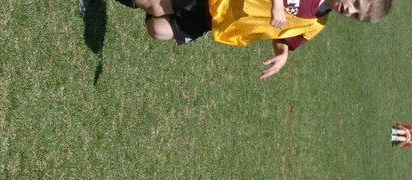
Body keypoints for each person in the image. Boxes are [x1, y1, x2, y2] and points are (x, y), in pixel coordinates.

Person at [102, 0, 391, 79]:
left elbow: (287, 38)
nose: (350, 10)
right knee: (155, 5)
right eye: (355, 2)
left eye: (356, 15)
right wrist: (276, 5)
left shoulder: (316, 24)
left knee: (158, 29)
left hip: (219, 22)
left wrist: (283, 52)